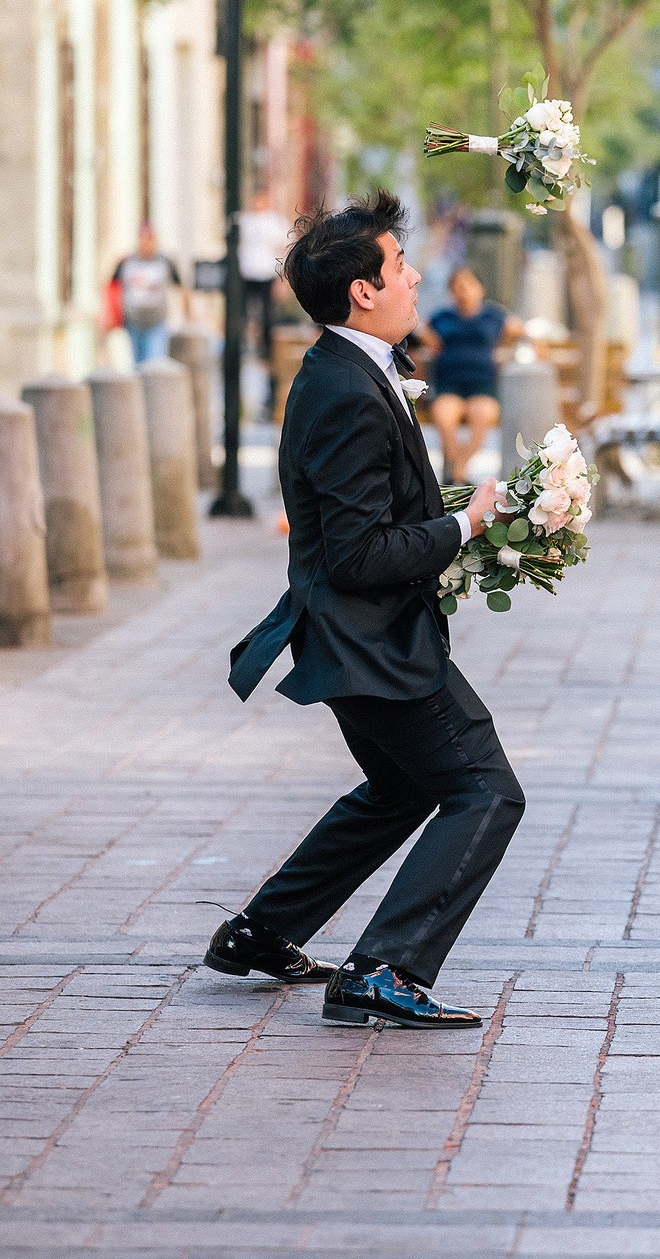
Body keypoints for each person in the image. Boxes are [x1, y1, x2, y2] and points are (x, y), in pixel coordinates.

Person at [221, 190, 522, 1031]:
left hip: (355, 634)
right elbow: (359, 554)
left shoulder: (348, 369)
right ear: (363, 289)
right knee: (483, 789)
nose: (415, 274)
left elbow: (373, 520)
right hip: (371, 643)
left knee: (398, 785)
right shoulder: (347, 389)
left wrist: (457, 524)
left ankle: (262, 931)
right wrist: (465, 524)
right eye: (399, 264)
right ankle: (383, 969)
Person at [412, 266, 521, 484]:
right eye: (457, 286)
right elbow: (421, 334)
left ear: (480, 288)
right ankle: (461, 472)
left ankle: (458, 470)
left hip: (482, 386)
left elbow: (519, 331)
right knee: (444, 415)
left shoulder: (493, 315)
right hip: (449, 385)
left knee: (484, 414)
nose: (463, 291)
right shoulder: (442, 317)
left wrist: (513, 347)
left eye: (469, 285)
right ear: (451, 291)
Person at [241, 188, 292, 410]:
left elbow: (284, 251)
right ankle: (247, 341)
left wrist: (282, 281)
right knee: (244, 318)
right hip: (246, 278)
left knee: (269, 323)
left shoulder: (276, 223)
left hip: (266, 278)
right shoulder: (244, 221)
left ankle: (263, 347)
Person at [108, 224, 184, 364]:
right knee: (138, 363)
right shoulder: (126, 262)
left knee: (156, 362)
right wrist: (112, 316)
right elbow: (112, 287)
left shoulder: (165, 261)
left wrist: (187, 314)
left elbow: (181, 286)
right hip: (133, 322)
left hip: (157, 322)